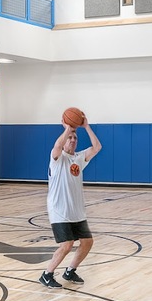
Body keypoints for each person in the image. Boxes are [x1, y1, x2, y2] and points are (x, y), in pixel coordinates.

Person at [39, 115, 102, 288]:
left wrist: (86, 126)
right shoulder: (57, 158)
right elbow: (58, 146)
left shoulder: (80, 158)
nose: (73, 139)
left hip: (76, 211)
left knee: (87, 242)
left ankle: (70, 271)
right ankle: (47, 274)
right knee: (67, 245)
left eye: (75, 137)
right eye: (70, 137)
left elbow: (97, 147)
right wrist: (68, 127)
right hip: (59, 210)